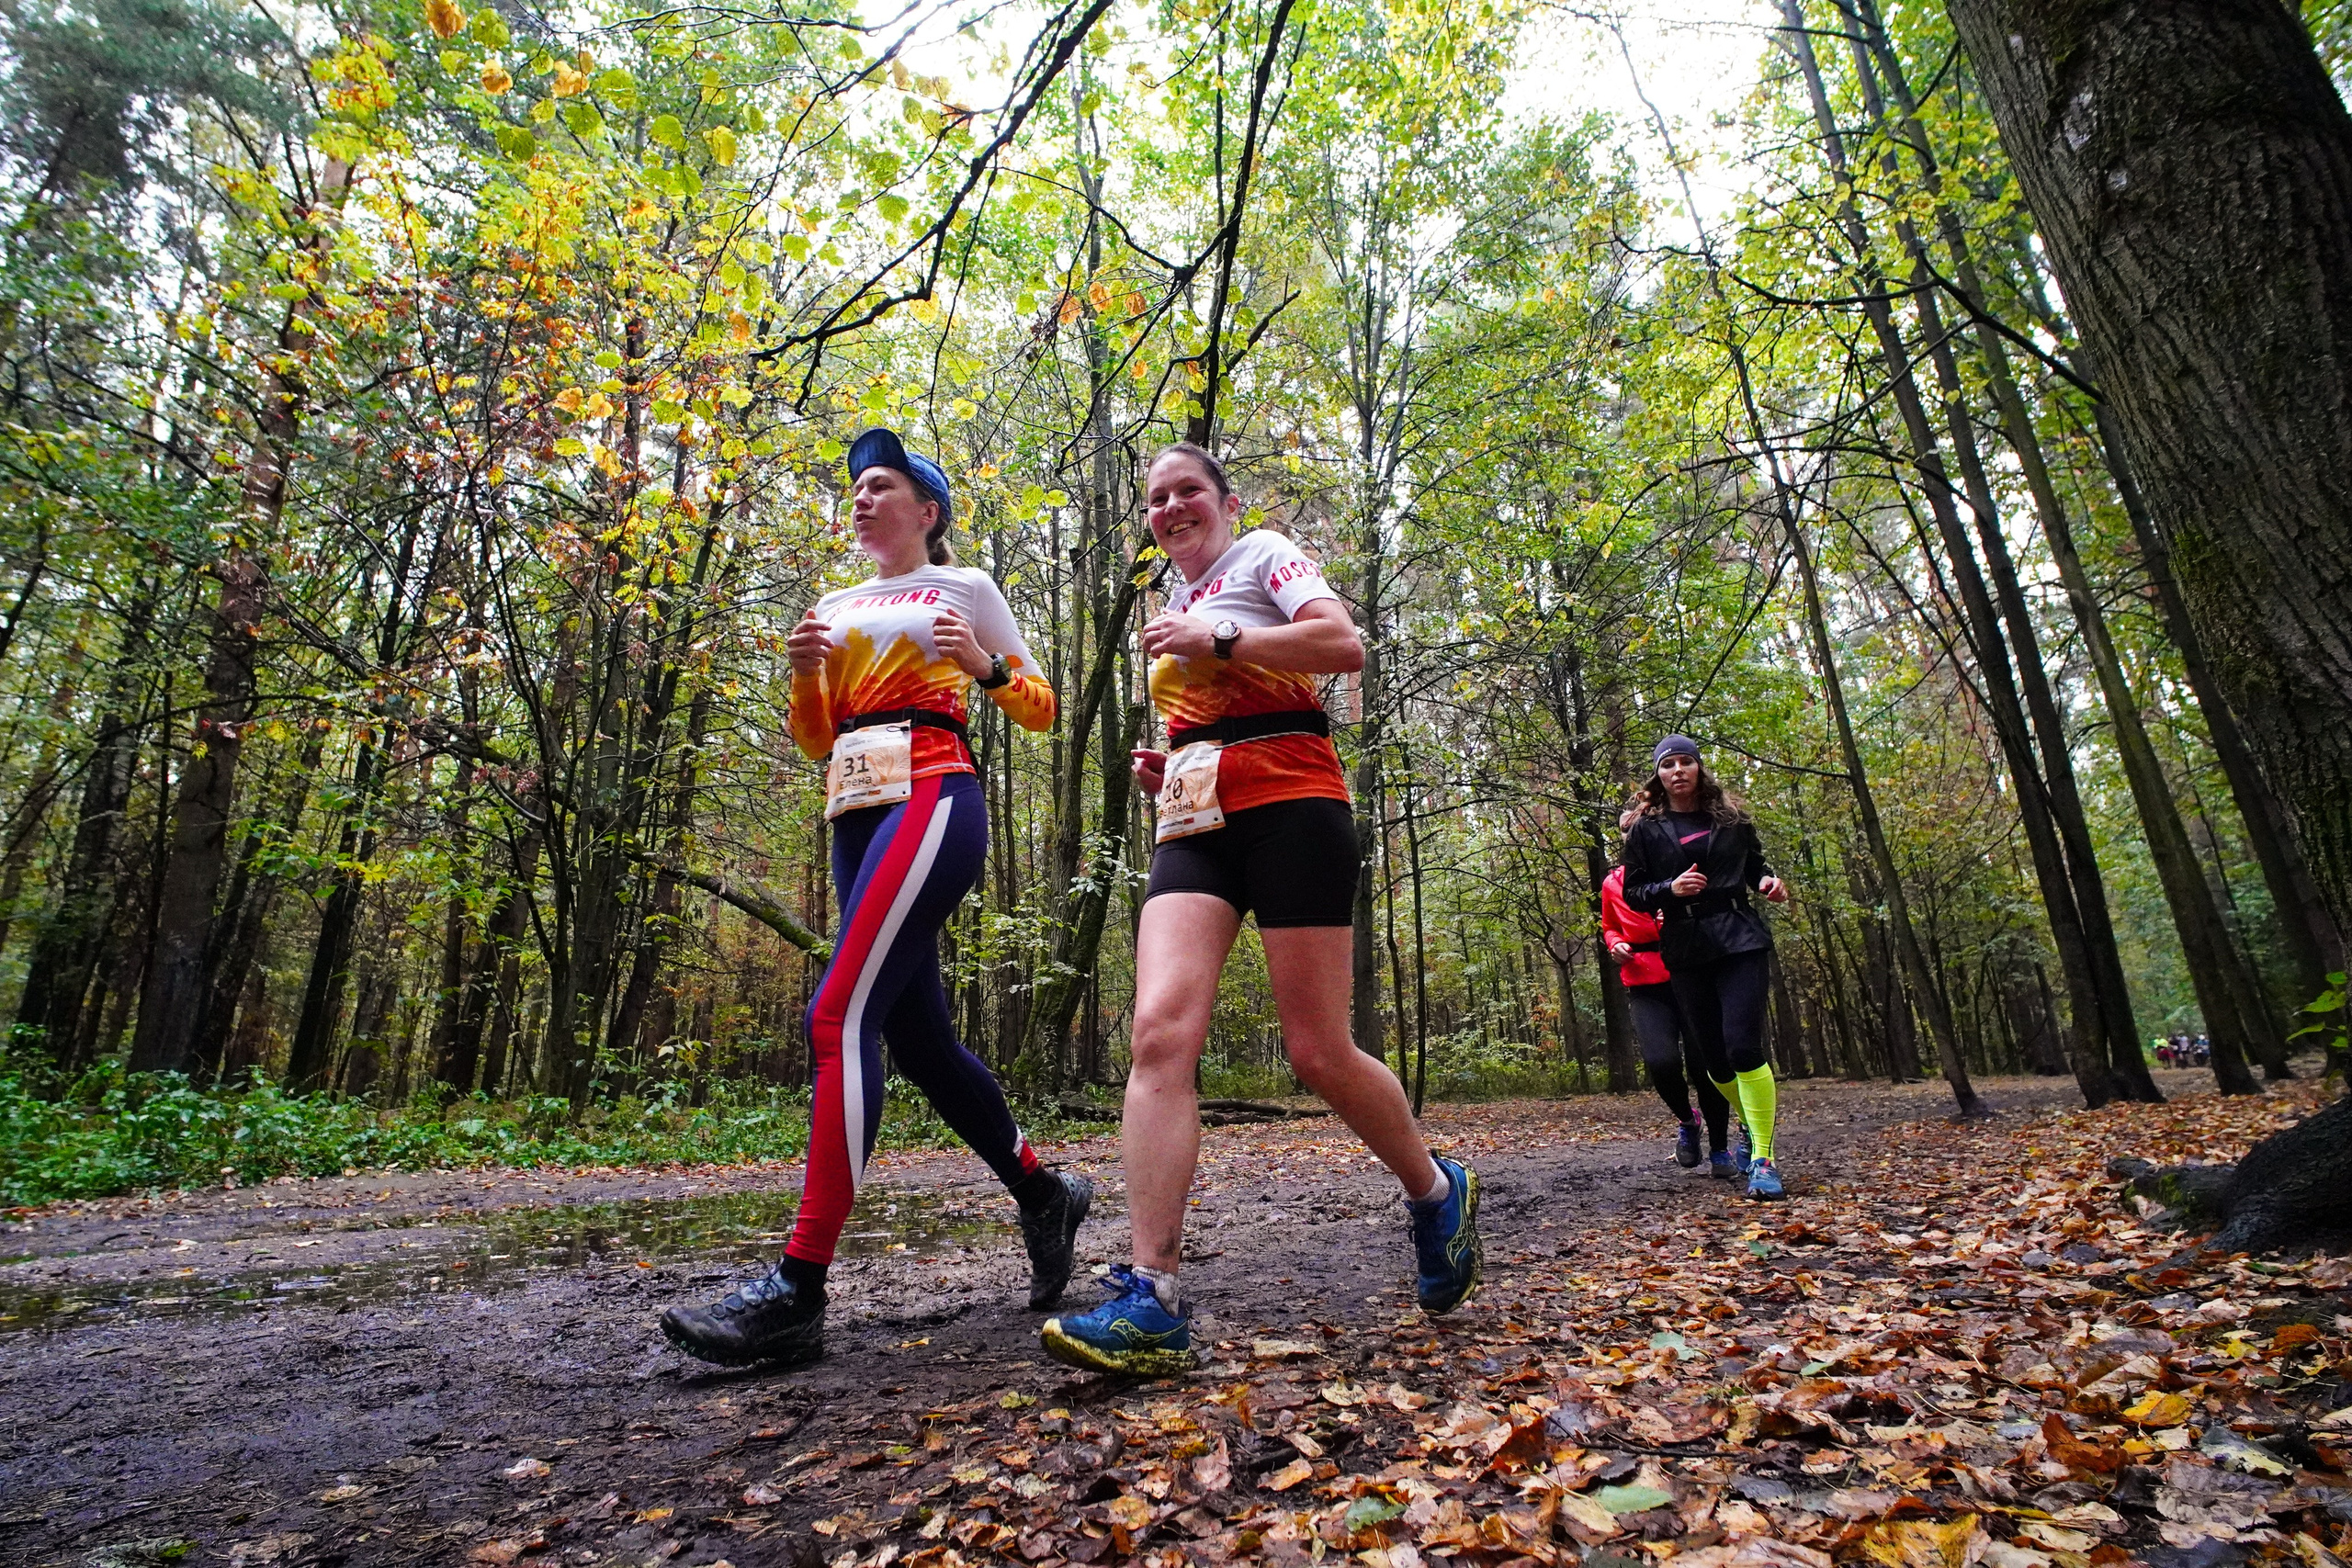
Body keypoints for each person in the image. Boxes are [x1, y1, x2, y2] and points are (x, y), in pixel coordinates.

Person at [1039, 443, 1481, 1376]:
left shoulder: (1263, 557)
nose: (1169, 509)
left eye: (1186, 491)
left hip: (1294, 805)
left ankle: (1435, 1189)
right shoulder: (1173, 608)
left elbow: (1340, 644)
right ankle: (1150, 1296)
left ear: (1225, 503)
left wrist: (1225, 643)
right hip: (1193, 819)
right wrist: (1174, 757)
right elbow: (1208, 707)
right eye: (1155, 500)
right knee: (1159, 1033)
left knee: (1317, 1052)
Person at [661, 428, 1088, 1367]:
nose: (859, 499)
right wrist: (805, 670)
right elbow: (815, 739)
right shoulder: (833, 604)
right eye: (854, 488)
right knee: (920, 1041)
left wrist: (983, 665)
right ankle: (1043, 1193)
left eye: (879, 486)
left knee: (836, 1015)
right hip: (852, 808)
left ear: (925, 512)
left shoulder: (964, 587)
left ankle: (796, 1290)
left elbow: (1041, 707)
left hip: (935, 789)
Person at [1620, 735, 1792, 1201]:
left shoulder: (1733, 818)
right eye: (1668, 764)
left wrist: (1768, 883)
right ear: (1658, 774)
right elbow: (1633, 891)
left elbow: (1755, 868)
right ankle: (1752, 1126)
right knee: (1714, 1062)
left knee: (1742, 1047)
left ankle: (1763, 1156)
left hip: (1739, 937)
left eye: (1686, 762)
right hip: (1685, 943)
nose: (1678, 770)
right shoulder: (1645, 831)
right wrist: (1669, 889)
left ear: (1699, 769)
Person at [1600, 860, 1741, 1177]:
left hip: (1691, 975)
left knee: (1704, 1065)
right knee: (1660, 1061)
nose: (1630, 835)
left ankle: (1720, 1150)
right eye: (1624, 831)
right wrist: (1615, 943)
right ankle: (1688, 1121)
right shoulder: (1613, 884)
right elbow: (1609, 926)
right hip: (1644, 982)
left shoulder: (1679, 868)